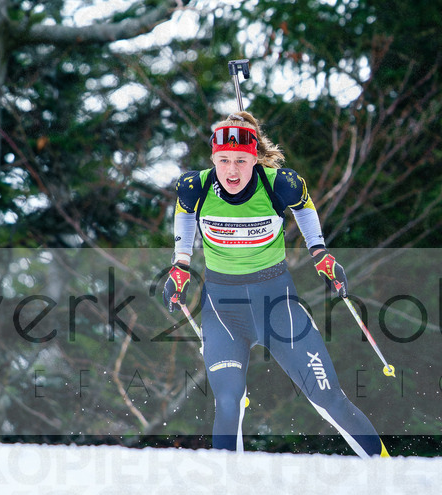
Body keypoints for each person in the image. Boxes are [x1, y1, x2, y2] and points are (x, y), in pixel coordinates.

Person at [162, 111, 389, 458]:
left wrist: (320, 252)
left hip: (278, 307)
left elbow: (305, 206)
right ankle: (229, 491)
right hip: (224, 312)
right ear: (213, 159)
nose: (232, 170)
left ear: (255, 157)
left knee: (328, 398)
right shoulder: (196, 186)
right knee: (228, 401)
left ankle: (389, 470)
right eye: (223, 160)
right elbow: (185, 212)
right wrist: (180, 263)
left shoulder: (279, 183)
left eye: (241, 160)